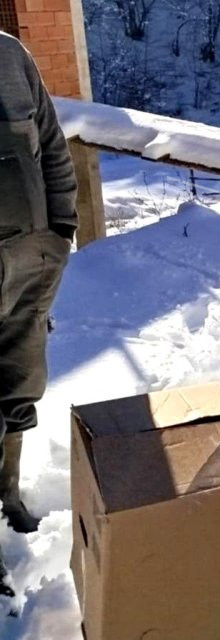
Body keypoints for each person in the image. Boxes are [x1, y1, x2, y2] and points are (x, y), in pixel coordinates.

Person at [0, 31, 77, 593]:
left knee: (21, 381)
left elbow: (51, 146)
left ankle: (8, 493)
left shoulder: (10, 55)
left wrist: (62, 229)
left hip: (30, 255)